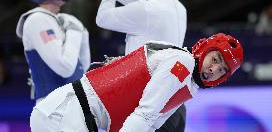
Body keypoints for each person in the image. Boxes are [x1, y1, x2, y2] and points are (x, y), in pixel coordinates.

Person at [67, 0, 187, 131]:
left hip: (152, 108)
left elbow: (102, 17)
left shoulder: (147, 10)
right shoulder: (177, 7)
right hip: (175, 105)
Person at [30, 33, 244, 132]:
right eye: (215, 59)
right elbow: (145, 113)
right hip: (64, 115)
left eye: (222, 70)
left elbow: (150, 125)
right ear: (204, 50)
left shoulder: (189, 84)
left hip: (72, 116)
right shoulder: (183, 63)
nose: (214, 69)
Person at [16, 0, 91, 102]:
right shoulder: (37, 20)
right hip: (52, 108)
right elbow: (65, 68)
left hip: (71, 103)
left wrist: (81, 32)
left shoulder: (59, 20)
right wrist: (74, 32)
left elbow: (81, 69)